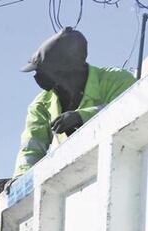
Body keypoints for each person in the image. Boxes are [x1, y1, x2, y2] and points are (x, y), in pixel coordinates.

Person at [13, 27, 137, 178]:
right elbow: (31, 147)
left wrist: (81, 117)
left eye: (45, 73)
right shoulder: (41, 104)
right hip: (73, 180)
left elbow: (127, 110)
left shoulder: (117, 80)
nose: (40, 80)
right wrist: (21, 179)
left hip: (120, 168)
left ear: (68, 70)